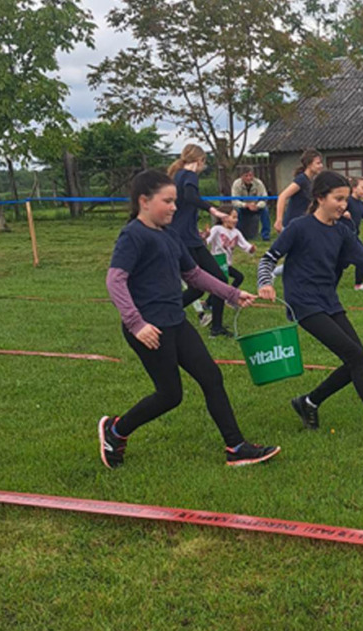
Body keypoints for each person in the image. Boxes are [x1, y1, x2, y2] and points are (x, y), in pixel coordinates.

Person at [100, 169, 280, 469]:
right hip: (149, 328)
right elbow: (115, 280)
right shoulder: (133, 234)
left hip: (175, 322)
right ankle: (115, 431)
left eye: (175, 201)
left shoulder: (169, 234)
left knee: (211, 377)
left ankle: (235, 447)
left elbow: (193, 274)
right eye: (167, 201)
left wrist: (231, 294)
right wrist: (136, 324)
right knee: (170, 395)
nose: (174, 207)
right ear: (144, 201)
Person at [256, 170, 363, 443]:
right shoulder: (299, 227)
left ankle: (308, 402)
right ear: (320, 198)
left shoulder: (343, 233)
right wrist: (265, 283)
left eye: (346, 199)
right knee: (356, 358)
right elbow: (268, 259)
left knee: (358, 360)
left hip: (329, 301)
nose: (344, 205)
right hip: (303, 303)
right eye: (338, 198)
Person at [166, 144, 234, 337]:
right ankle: (216, 328)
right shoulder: (189, 175)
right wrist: (213, 210)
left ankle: (167, 314)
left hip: (186, 238)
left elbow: (185, 204)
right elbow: (190, 196)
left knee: (197, 288)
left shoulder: (177, 175)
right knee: (219, 280)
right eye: (204, 162)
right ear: (200, 160)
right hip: (186, 241)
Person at [205, 208, 256, 294]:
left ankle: (228, 295)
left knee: (239, 277)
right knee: (222, 282)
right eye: (234, 217)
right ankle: (217, 300)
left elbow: (245, 245)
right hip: (217, 261)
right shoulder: (217, 229)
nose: (236, 220)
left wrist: (251, 249)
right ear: (224, 218)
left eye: (237, 217)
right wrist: (204, 236)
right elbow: (207, 241)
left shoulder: (236, 232)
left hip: (227, 263)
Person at [275, 149, 323, 234]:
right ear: (309, 164)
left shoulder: (311, 181)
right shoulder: (301, 180)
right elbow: (282, 196)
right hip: (293, 225)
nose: (321, 166)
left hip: (304, 224)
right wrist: (279, 220)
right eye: (318, 163)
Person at [230, 165, 271, 241]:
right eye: (246, 176)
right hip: (242, 207)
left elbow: (264, 198)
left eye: (250, 175)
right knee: (236, 211)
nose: (249, 178)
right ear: (241, 176)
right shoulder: (236, 184)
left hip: (256, 207)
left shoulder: (259, 183)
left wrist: (257, 206)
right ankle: (238, 235)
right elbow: (234, 201)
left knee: (265, 210)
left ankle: (266, 235)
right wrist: (246, 205)